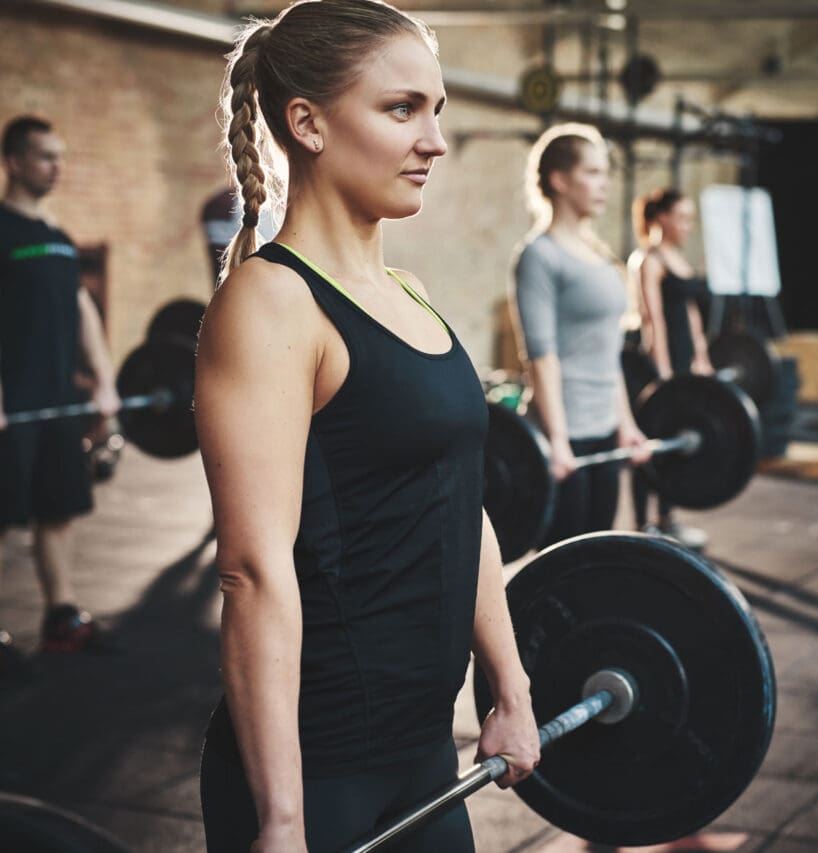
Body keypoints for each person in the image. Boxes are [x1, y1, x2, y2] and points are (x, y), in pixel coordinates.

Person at [193, 2, 538, 850]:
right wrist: (281, 820)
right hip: (320, 769)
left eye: (437, 110)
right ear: (306, 123)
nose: (435, 140)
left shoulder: (410, 292)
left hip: (424, 748)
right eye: (401, 109)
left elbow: (464, 505)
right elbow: (251, 571)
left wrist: (513, 689)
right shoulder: (271, 302)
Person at [0, 114, 120, 664]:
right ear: (16, 162)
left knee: (59, 509)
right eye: (46, 156)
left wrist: (104, 382)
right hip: (11, 406)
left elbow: (83, 314)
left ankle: (61, 615)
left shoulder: (56, 239)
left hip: (56, 402)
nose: (57, 167)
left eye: (60, 156)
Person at [511, 123, 650, 549]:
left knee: (597, 558)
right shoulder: (540, 255)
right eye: (592, 172)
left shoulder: (599, 253)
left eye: (605, 172)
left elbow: (608, 353)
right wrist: (557, 441)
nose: (604, 183)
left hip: (604, 429)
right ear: (559, 180)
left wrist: (626, 425)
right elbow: (541, 356)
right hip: (565, 436)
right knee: (560, 566)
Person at [627, 187, 711, 550]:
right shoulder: (649, 260)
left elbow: (690, 312)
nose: (688, 225)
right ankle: (642, 523)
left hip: (683, 359)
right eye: (682, 217)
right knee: (650, 439)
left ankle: (667, 518)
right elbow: (653, 318)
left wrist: (701, 356)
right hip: (655, 363)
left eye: (691, 219)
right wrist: (663, 372)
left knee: (676, 438)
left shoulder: (678, 258)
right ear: (661, 218)